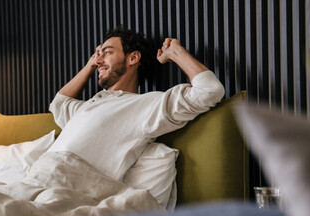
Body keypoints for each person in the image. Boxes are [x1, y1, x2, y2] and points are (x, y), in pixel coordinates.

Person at [47, 25, 225, 181]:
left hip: (66, 184)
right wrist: (90, 64)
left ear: (133, 58)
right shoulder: (88, 106)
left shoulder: (144, 105)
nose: (98, 60)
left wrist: (176, 52)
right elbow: (59, 104)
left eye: (107, 52)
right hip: (38, 177)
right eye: (97, 55)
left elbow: (208, 90)